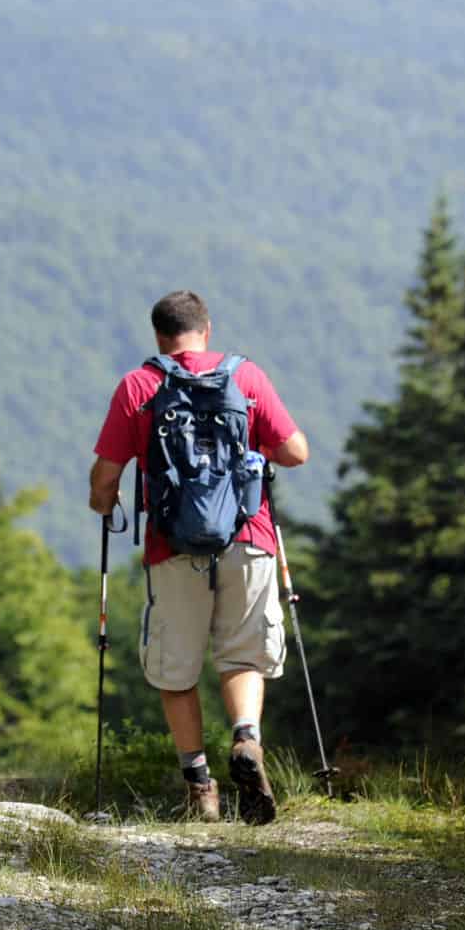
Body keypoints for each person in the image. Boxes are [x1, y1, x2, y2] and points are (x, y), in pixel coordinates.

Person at [89, 290, 309, 823]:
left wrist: (105, 501)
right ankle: (247, 740)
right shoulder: (246, 378)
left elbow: (104, 478)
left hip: (173, 546)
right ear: (206, 330)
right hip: (249, 537)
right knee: (243, 656)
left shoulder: (140, 386)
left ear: (159, 336)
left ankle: (201, 788)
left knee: (176, 669)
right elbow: (296, 452)